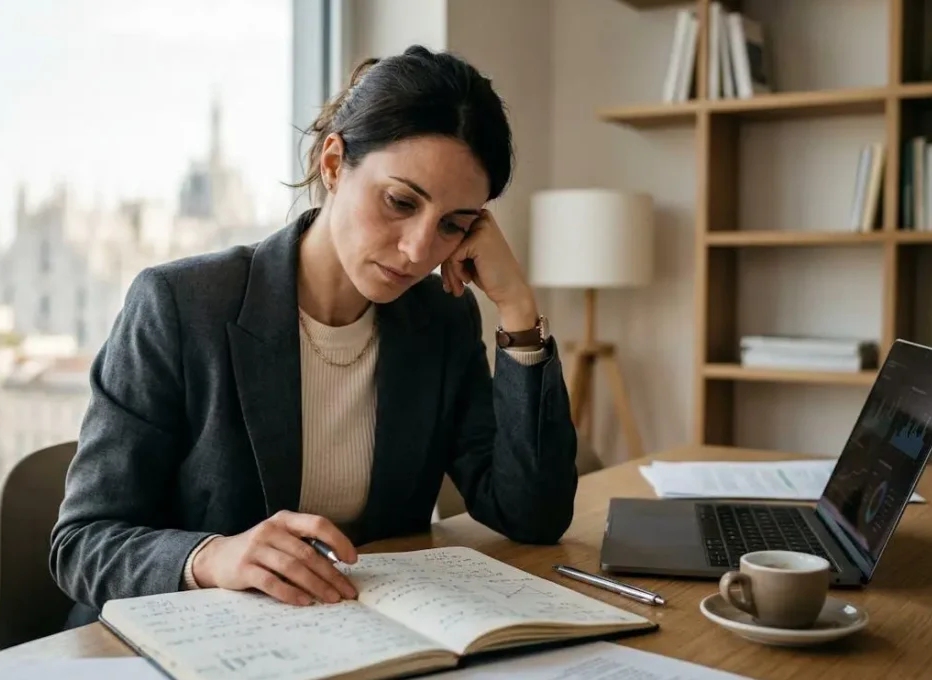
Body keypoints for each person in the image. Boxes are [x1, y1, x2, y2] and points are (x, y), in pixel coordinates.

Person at [49, 45, 579, 628]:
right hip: (189, 636)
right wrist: (212, 557)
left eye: (453, 225)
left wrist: (518, 309)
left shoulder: (439, 320)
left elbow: (532, 515)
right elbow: (82, 542)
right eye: (400, 201)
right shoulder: (180, 305)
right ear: (333, 164)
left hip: (352, 637)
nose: (418, 250)